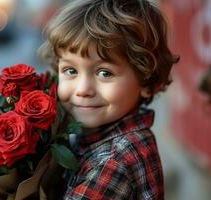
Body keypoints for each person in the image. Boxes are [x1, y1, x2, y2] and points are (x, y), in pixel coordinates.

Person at [39, 0, 179, 199]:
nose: (83, 90)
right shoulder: (100, 134)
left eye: (104, 73)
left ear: (146, 82)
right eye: (70, 70)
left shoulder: (112, 162)